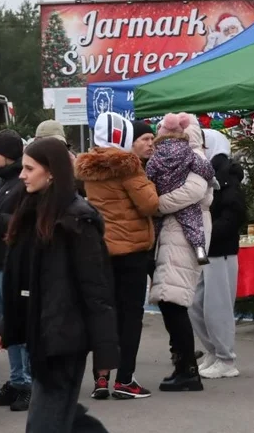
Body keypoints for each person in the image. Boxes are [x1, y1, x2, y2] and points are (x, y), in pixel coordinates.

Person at [0, 138, 144, 433]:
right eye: (23, 168)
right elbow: (23, 280)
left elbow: (97, 289)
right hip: (42, 331)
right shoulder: (31, 211)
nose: (21, 175)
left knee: (44, 421)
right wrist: (7, 325)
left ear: (51, 171)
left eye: (29, 169)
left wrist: (106, 352)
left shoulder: (79, 218)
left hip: (66, 335)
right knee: (58, 414)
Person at [75, 113, 160, 399]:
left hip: (101, 249)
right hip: (131, 250)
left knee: (103, 314)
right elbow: (149, 204)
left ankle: (101, 378)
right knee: (129, 316)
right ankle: (125, 380)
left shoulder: (88, 168)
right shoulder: (128, 166)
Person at [147, 113, 213, 392]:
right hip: (179, 231)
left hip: (183, 231)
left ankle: (187, 370)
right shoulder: (195, 157)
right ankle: (183, 365)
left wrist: (156, 205)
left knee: (172, 299)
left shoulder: (194, 158)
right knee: (170, 299)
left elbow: (195, 192)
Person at [0, 130, 33, 411]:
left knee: (19, 325)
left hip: (11, 263)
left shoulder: (21, 184)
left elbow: (20, 221)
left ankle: (28, 382)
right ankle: (16, 380)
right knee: (6, 328)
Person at [194, 130, 247, 379]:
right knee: (197, 304)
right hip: (206, 248)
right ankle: (214, 351)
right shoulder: (206, 172)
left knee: (218, 306)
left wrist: (209, 233)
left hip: (221, 250)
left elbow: (235, 214)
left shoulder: (226, 177)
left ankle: (226, 358)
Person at [147, 113, 215, 265]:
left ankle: (150, 253)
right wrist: (211, 176)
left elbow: (149, 177)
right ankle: (199, 249)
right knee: (192, 222)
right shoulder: (188, 152)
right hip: (182, 194)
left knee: (154, 227)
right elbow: (204, 169)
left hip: (161, 195)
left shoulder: (154, 157)